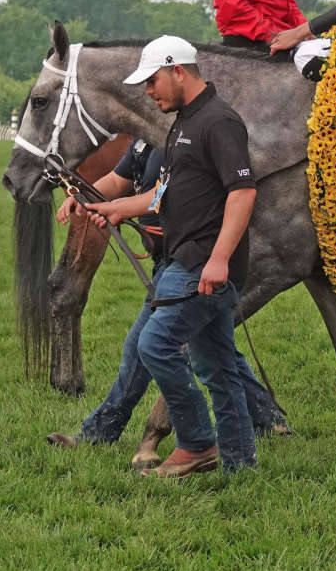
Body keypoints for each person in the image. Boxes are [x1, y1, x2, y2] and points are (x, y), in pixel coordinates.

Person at [86, 35, 259, 477]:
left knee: (155, 344)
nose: (148, 91)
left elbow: (242, 193)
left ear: (178, 70)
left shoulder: (219, 122)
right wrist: (110, 207)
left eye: (153, 80)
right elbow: (161, 195)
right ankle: (240, 465)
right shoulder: (182, 124)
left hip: (202, 264)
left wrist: (220, 260)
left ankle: (198, 444)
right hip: (188, 261)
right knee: (216, 364)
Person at [46, 138, 287, 450]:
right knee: (216, 349)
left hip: (188, 264)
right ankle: (267, 420)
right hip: (171, 262)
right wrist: (82, 196)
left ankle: (100, 433)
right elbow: (117, 180)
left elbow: (160, 196)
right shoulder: (142, 143)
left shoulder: (179, 143)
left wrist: (114, 209)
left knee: (140, 348)